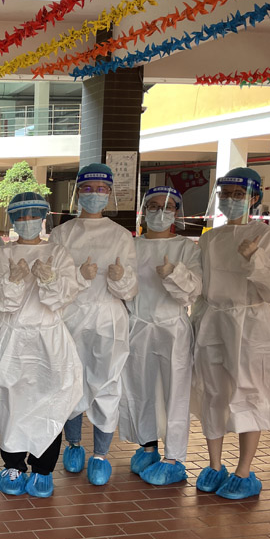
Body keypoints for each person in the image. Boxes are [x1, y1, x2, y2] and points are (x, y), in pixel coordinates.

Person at [192, 168, 270, 500]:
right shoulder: (210, 238)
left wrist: (255, 258)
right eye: (226, 194)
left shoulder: (268, 238)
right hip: (212, 321)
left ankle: (244, 471)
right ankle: (214, 465)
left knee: (249, 392)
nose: (231, 200)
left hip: (250, 325)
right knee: (213, 393)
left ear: (254, 198)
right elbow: (200, 286)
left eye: (239, 195)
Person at [0, 193, 83, 497]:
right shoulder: (2, 255)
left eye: (33, 215)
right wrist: (11, 281)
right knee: (12, 403)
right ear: (11, 219)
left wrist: (49, 280)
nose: (27, 221)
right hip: (13, 338)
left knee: (50, 402)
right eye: (20, 216)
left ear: (44, 217)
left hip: (50, 339)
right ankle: (13, 467)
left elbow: (64, 296)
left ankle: (43, 471)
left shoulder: (58, 253)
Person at [48, 163, 138, 486]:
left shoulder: (121, 236)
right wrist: (78, 276)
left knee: (107, 384)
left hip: (107, 319)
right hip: (70, 317)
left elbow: (130, 289)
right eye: (87, 188)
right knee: (71, 382)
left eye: (101, 189)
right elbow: (53, 282)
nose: (94, 194)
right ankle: (73, 445)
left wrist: (121, 278)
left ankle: (100, 455)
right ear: (77, 192)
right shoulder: (62, 234)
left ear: (110, 193)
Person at [119, 187, 201, 486]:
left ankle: (174, 458)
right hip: (138, 325)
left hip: (172, 327)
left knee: (175, 392)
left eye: (167, 206)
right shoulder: (131, 246)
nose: (159, 212)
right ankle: (148, 446)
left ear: (177, 212)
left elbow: (192, 291)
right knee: (140, 388)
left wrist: (173, 273)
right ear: (144, 210)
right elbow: (123, 287)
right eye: (153, 206)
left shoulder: (187, 248)